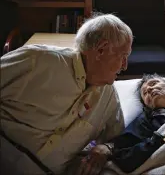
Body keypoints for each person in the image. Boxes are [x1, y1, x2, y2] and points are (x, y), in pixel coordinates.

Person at [0, 13, 133, 174]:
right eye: (123, 56)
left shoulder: (108, 97)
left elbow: (119, 136)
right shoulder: (38, 61)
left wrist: (105, 148)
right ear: (101, 50)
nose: (125, 66)